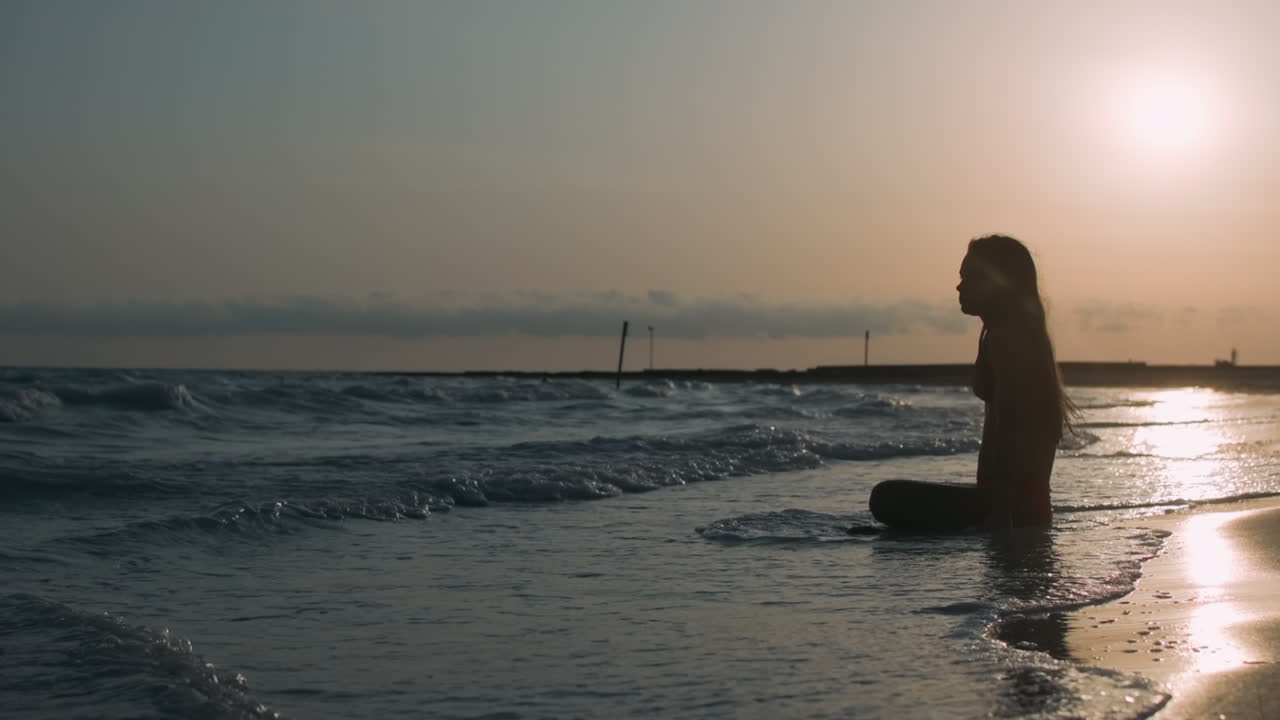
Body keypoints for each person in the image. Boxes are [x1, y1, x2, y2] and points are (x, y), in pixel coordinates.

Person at [868, 235, 1076, 531]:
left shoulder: (1008, 338)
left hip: (1010, 505)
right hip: (1014, 502)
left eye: (972, 277)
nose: (960, 286)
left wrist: (1001, 515)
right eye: (961, 276)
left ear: (1003, 283)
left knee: (885, 496)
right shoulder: (1005, 333)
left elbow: (1012, 427)